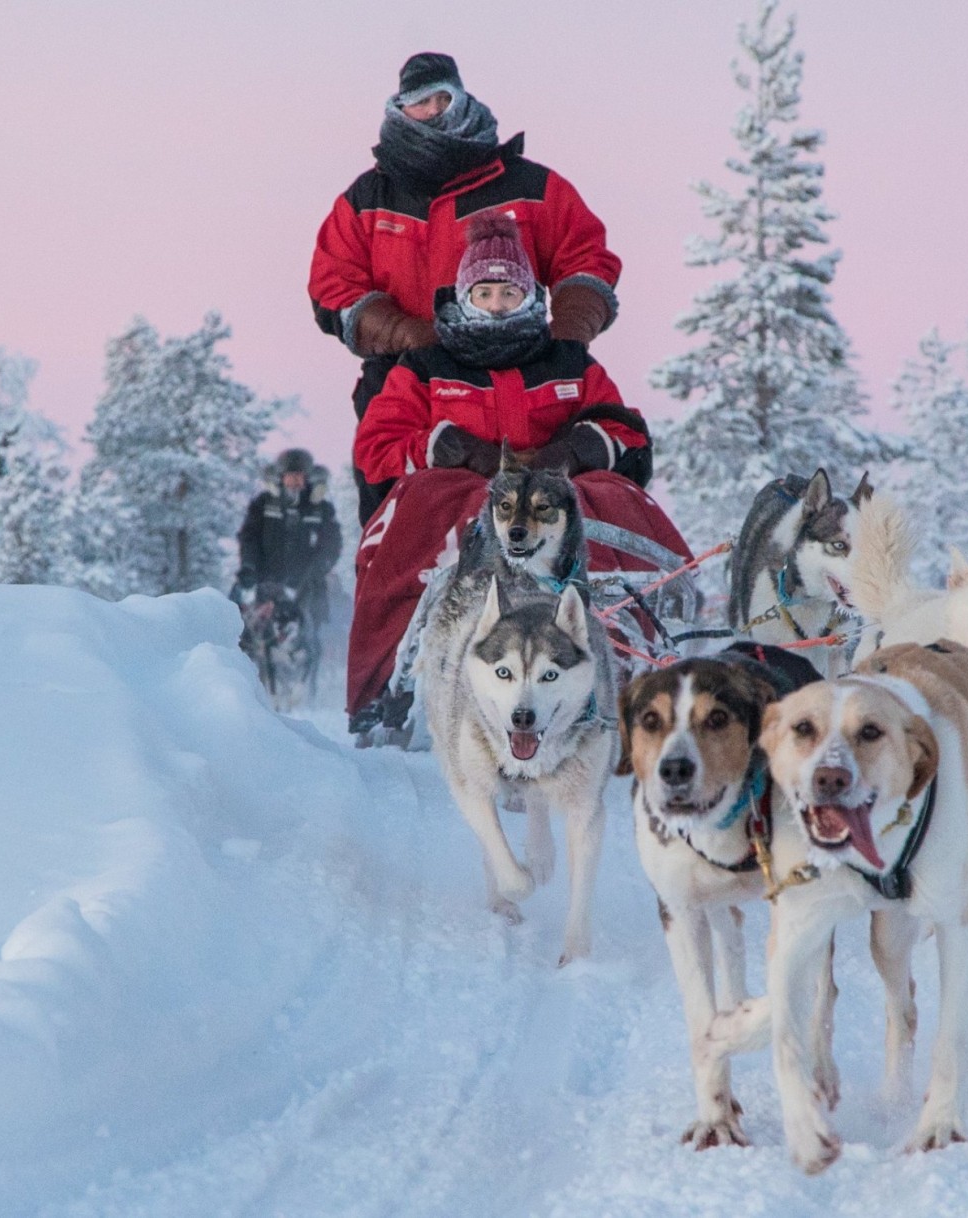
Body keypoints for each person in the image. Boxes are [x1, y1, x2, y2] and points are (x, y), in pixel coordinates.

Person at [346, 212, 689, 728]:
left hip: (558, 495)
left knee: (609, 495)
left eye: (509, 292)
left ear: (531, 297)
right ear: (464, 297)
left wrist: (579, 449)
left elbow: (627, 432)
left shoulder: (568, 362)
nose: (497, 305)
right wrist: (447, 447)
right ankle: (390, 683)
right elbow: (377, 446)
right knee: (430, 497)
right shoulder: (425, 367)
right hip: (467, 493)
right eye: (484, 294)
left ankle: (648, 655)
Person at [309, 52, 622, 524]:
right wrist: (407, 334)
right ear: (398, 109)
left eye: (442, 97)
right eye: (420, 102)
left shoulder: (531, 186)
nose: (433, 110)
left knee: (569, 505)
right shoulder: (367, 199)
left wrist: (570, 336)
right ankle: (395, 599)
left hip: (527, 371)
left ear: (461, 97)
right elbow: (333, 283)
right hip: (408, 377)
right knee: (393, 524)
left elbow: (586, 255)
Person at [235, 449, 343, 640]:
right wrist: (249, 565)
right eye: (291, 476)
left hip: (307, 582)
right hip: (265, 578)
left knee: (313, 626)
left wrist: (318, 568)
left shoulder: (321, 508)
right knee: (238, 614)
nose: (296, 481)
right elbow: (249, 537)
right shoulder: (263, 504)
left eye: (300, 476)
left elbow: (332, 543)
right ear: (281, 477)